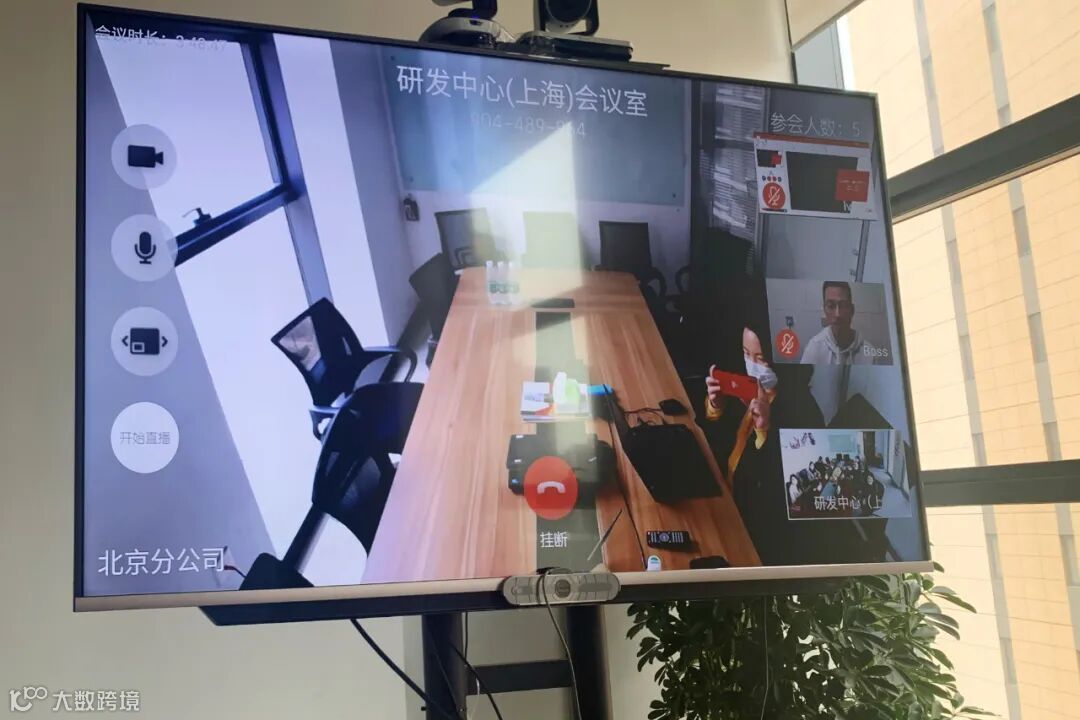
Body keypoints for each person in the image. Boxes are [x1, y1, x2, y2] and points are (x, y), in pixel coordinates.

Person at [800, 281, 880, 365]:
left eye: (843, 305)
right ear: (824, 310)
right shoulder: (814, 348)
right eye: (831, 306)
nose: (837, 314)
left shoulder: (869, 352)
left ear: (852, 310)